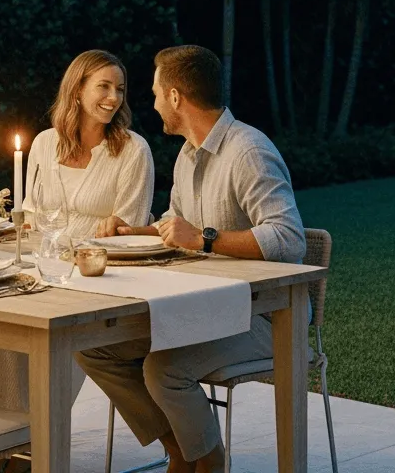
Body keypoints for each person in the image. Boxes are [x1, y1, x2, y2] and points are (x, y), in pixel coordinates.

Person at [78, 45, 305, 473]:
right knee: (96, 347)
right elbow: (174, 224)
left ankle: (210, 462)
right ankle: (182, 448)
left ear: (177, 97)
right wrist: (132, 231)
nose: (153, 102)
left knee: (164, 368)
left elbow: (288, 238)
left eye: (156, 93)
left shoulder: (248, 150)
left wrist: (204, 239)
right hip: (205, 307)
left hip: (265, 316)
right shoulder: (187, 154)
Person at [0, 49, 154, 410]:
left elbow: (129, 232)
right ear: (77, 90)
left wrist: (115, 230)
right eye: (104, 87)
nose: (113, 98)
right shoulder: (46, 142)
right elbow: (30, 213)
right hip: (41, 262)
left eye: (120, 89)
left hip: (94, 276)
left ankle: (19, 439)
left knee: (15, 319)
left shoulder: (133, 150)